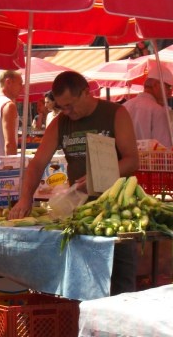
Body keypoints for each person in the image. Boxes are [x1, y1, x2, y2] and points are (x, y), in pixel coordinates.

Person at [9, 71, 139, 295]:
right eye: (61, 107)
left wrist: (99, 177)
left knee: (120, 282)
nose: (67, 112)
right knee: (86, 283)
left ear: (86, 93)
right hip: (81, 214)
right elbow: (38, 162)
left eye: (70, 105)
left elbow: (132, 160)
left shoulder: (116, 113)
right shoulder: (61, 122)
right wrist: (25, 197)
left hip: (117, 210)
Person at [123, 66, 173, 148]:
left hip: (127, 160)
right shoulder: (158, 110)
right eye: (168, 87)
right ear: (156, 85)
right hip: (150, 160)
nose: (170, 92)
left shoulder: (124, 106)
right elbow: (164, 149)